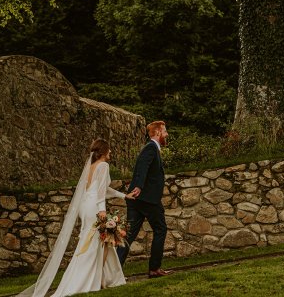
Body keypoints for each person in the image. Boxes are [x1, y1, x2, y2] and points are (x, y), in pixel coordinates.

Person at [16, 138, 135, 297]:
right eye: (109, 150)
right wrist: (102, 210)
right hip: (94, 207)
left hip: (85, 206)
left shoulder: (91, 166)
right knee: (94, 243)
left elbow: (103, 189)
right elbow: (100, 192)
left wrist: (124, 196)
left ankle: (104, 278)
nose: (111, 152)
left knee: (100, 242)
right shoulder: (104, 165)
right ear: (103, 151)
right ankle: (83, 280)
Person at [117, 120, 172, 279]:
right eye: (165, 131)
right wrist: (139, 186)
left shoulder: (153, 148)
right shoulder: (150, 148)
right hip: (147, 199)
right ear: (157, 133)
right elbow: (142, 167)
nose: (167, 134)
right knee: (160, 229)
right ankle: (154, 269)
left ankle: (114, 272)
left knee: (129, 236)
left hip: (138, 200)